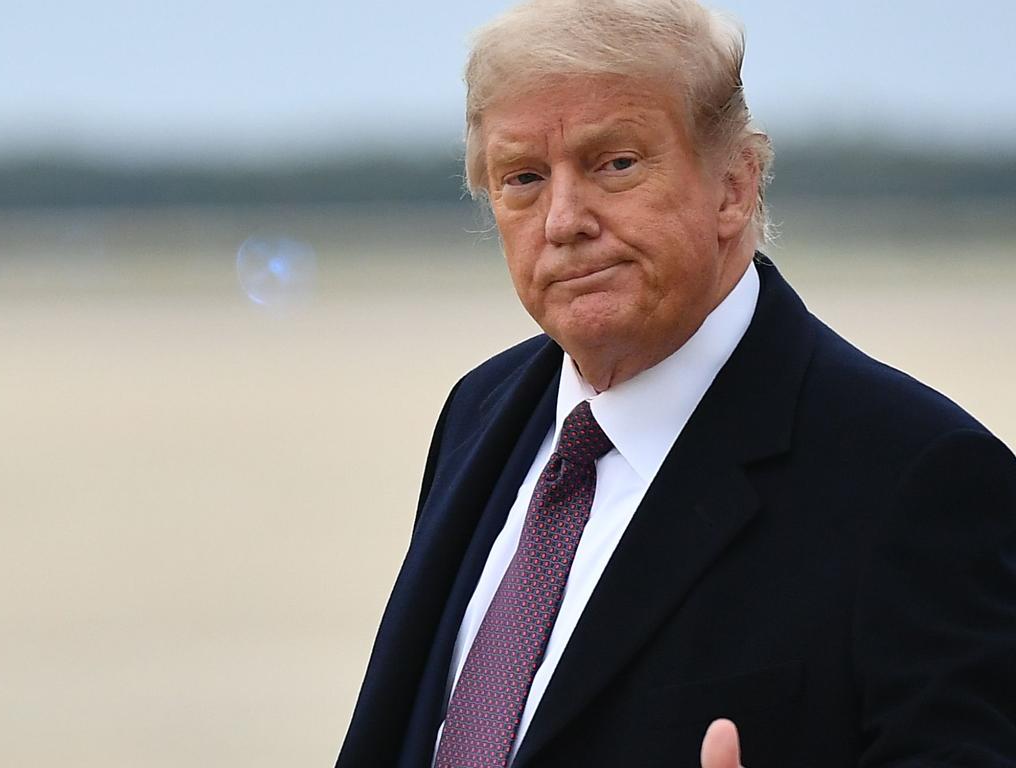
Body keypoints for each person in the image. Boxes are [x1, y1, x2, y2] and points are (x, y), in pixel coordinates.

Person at [336, 1, 1016, 766]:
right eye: (522, 177)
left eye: (614, 163)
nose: (563, 220)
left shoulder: (921, 477)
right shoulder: (481, 411)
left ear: (735, 185)